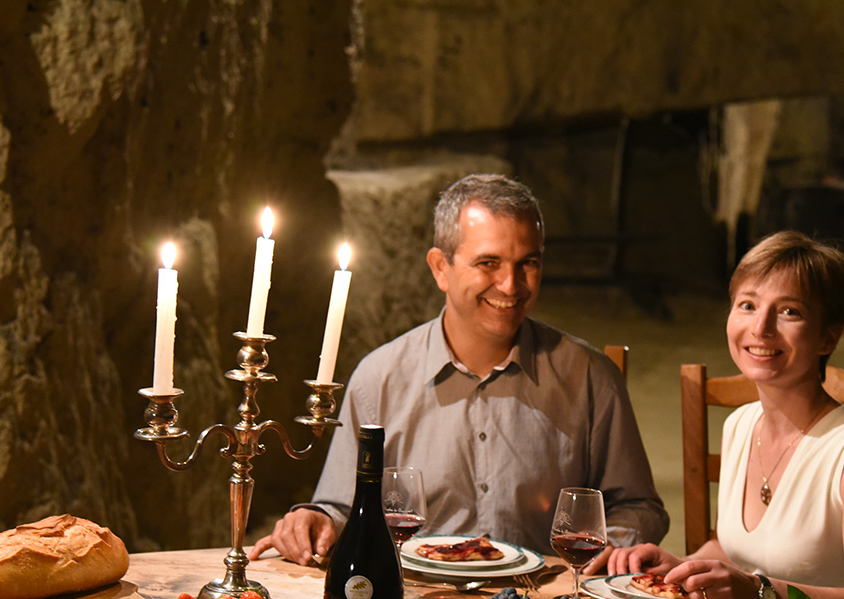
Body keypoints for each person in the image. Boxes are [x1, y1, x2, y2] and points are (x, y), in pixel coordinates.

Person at [250, 174, 668, 570]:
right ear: (440, 268)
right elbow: (341, 508)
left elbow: (638, 507)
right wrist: (312, 521)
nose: (510, 285)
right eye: (488, 263)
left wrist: (611, 545)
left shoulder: (590, 377)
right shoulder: (379, 378)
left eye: (528, 262)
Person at [609, 230, 844, 599]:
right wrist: (682, 567)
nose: (761, 328)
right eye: (748, 305)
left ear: (829, 336)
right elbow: (738, 548)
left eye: (789, 312)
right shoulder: (740, 424)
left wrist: (761, 595)